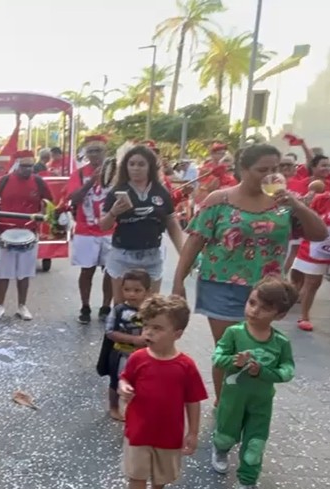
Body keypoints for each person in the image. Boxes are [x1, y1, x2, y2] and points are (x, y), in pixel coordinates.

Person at [172, 144, 326, 406]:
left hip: (266, 291)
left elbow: (319, 234)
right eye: (262, 169)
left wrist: (297, 206)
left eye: (275, 169)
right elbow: (194, 244)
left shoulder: (284, 203)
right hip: (221, 286)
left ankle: (245, 401)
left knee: (255, 349)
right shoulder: (219, 200)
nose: (270, 175)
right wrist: (178, 283)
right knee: (229, 349)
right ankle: (225, 405)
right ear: (243, 170)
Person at [210, 277, 298, 489]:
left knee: (255, 444)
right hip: (233, 400)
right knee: (226, 433)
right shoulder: (234, 333)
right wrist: (233, 361)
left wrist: (265, 372)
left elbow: (287, 370)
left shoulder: (281, 342)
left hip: (261, 403)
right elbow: (217, 358)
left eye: (265, 308)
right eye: (252, 302)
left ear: (279, 315)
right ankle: (220, 448)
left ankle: (247, 484)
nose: (255, 311)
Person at [117, 294, 207, 489]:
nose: (148, 332)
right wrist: (124, 387)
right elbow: (124, 378)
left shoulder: (185, 366)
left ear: (177, 334)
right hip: (138, 430)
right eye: (146, 326)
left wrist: (193, 432)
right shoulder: (138, 358)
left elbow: (193, 400)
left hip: (169, 433)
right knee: (136, 474)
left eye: (157, 328)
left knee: (163, 473)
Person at [101, 145, 185, 303]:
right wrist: (113, 212)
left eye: (141, 164)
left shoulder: (161, 191)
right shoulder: (117, 191)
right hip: (122, 256)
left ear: (150, 167)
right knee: (122, 308)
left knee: (150, 307)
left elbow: (171, 223)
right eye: (131, 164)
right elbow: (103, 225)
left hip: (151, 256)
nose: (135, 168)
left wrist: (183, 252)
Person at [0, 150, 54, 320]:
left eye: (30, 166)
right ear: (16, 165)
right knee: (2, 273)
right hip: (5, 232)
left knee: (25, 273)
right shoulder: (5, 180)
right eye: (24, 166)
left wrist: (43, 214)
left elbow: (49, 201)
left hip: (29, 233)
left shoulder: (38, 181)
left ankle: (22, 306)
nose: (28, 169)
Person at [65, 135, 114, 323]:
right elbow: (74, 199)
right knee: (87, 271)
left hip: (110, 231)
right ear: (86, 154)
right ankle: (85, 306)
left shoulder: (116, 172)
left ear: (105, 152)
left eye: (98, 151)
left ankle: (106, 306)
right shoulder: (78, 174)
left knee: (110, 271)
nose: (95, 155)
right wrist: (91, 181)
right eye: (90, 151)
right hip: (86, 231)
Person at [101, 269, 151, 422]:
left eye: (137, 290)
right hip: (121, 353)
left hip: (144, 355)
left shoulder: (150, 311)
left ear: (147, 292)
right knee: (116, 381)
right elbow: (110, 332)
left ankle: (136, 408)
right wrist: (133, 339)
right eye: (127, 290)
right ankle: (114, 406)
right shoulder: (118, 310)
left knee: (142, 382)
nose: (132, 294)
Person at [291, 183, 330, 331]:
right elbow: (308, 219)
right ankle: (304, 316)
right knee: (313, 282)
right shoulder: (322, 199)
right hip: (317, 245)